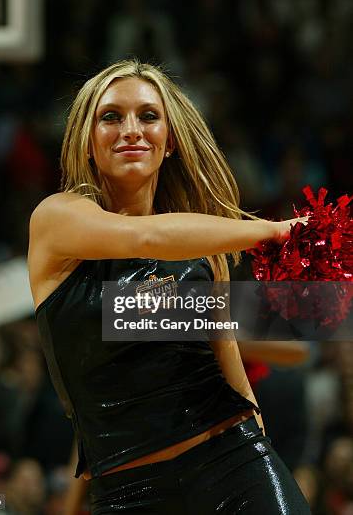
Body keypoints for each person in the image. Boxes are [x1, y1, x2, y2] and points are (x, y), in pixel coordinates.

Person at [28, 59, 311, 513]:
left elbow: (239, 371)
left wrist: (261, 450)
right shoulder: (56, 220)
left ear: (171, 141)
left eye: (148, 115)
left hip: (237, 466)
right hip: (129, 491)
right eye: (111, 116)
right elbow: (144, 237)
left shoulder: (206, 250)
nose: (131, 129)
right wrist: (276, 231)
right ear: (85, 142)